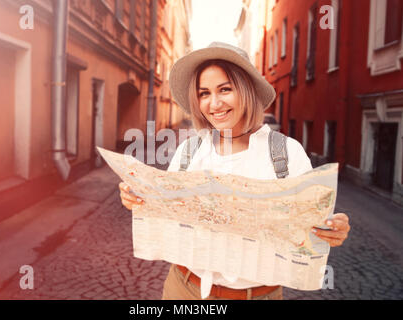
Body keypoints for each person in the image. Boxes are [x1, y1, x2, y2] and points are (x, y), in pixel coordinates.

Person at [119, 42, 351, 300]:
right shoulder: (189, 150)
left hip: (258, 295)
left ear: (246, 90)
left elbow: (312, 226)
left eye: (225, 89)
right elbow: (165, 209)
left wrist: (332, 228)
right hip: (183, 289)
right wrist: (139, 197)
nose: (214, 103)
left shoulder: (286, 154)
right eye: (204, 93)